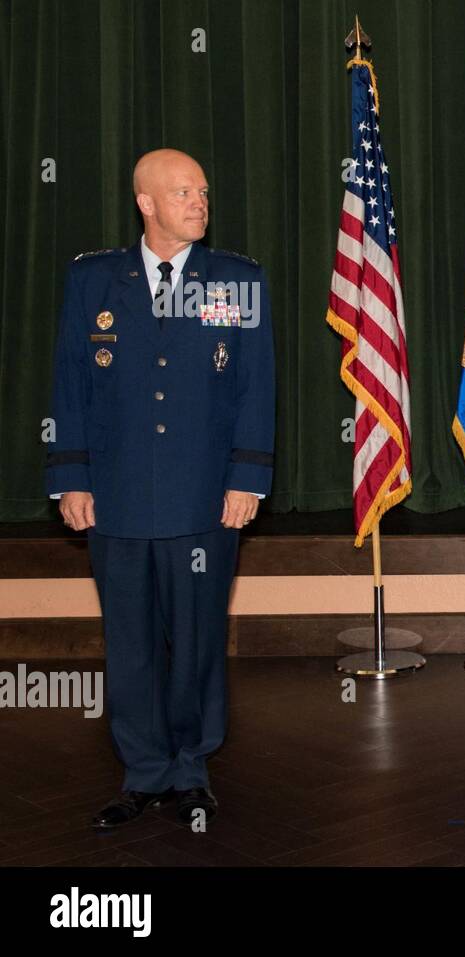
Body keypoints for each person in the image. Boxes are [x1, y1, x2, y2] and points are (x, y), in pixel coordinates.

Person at [46, 148, 275, 830]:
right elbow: (70, 384)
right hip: (115, 496)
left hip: (204, 496)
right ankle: (143, 770)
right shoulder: (93, 282)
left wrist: (248, 477)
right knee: (131, 640)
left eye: (202, 191)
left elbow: (254, 387)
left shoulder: (236, 280)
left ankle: (192, 766)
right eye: (182, 192)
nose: (199, 202)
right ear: (146, 203)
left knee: (199, 635)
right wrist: (70, 477)